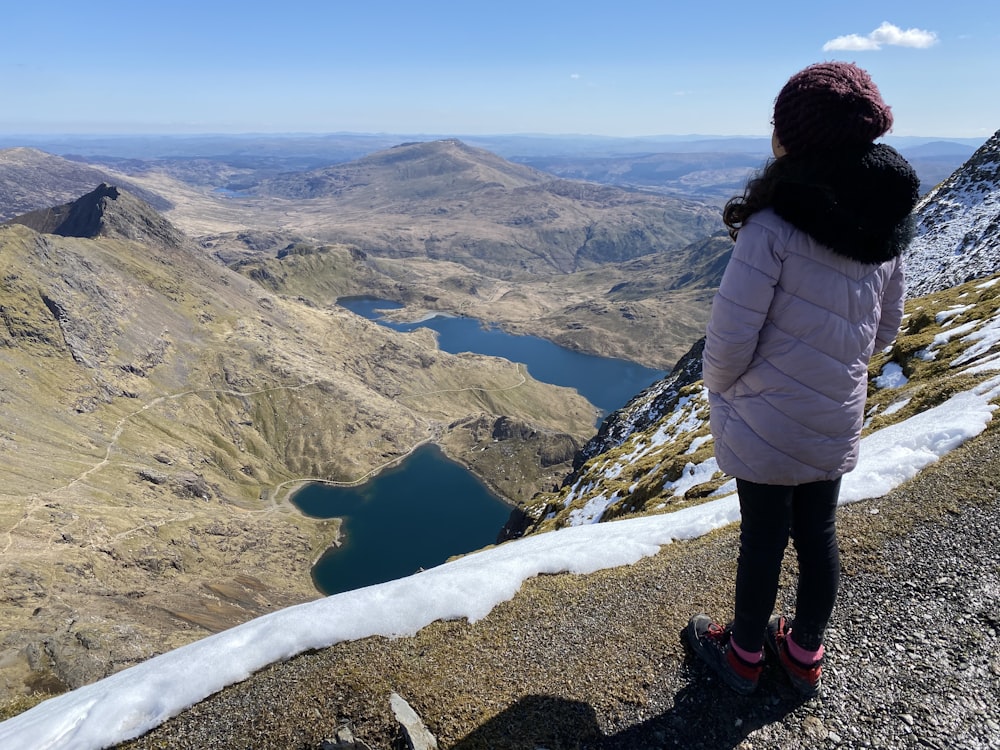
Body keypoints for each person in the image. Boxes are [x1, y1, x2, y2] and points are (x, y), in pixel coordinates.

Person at [684, 61, 920, 697]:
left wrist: (726, 390)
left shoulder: (771, 227)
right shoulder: (884, 227)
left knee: (761, 539)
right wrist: (837, 370)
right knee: (818, 535)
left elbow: (728, 341)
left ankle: (741, 657)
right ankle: (803, 654)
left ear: (795, 138)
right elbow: (885, 329)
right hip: (834, 412)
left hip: (764, 415)